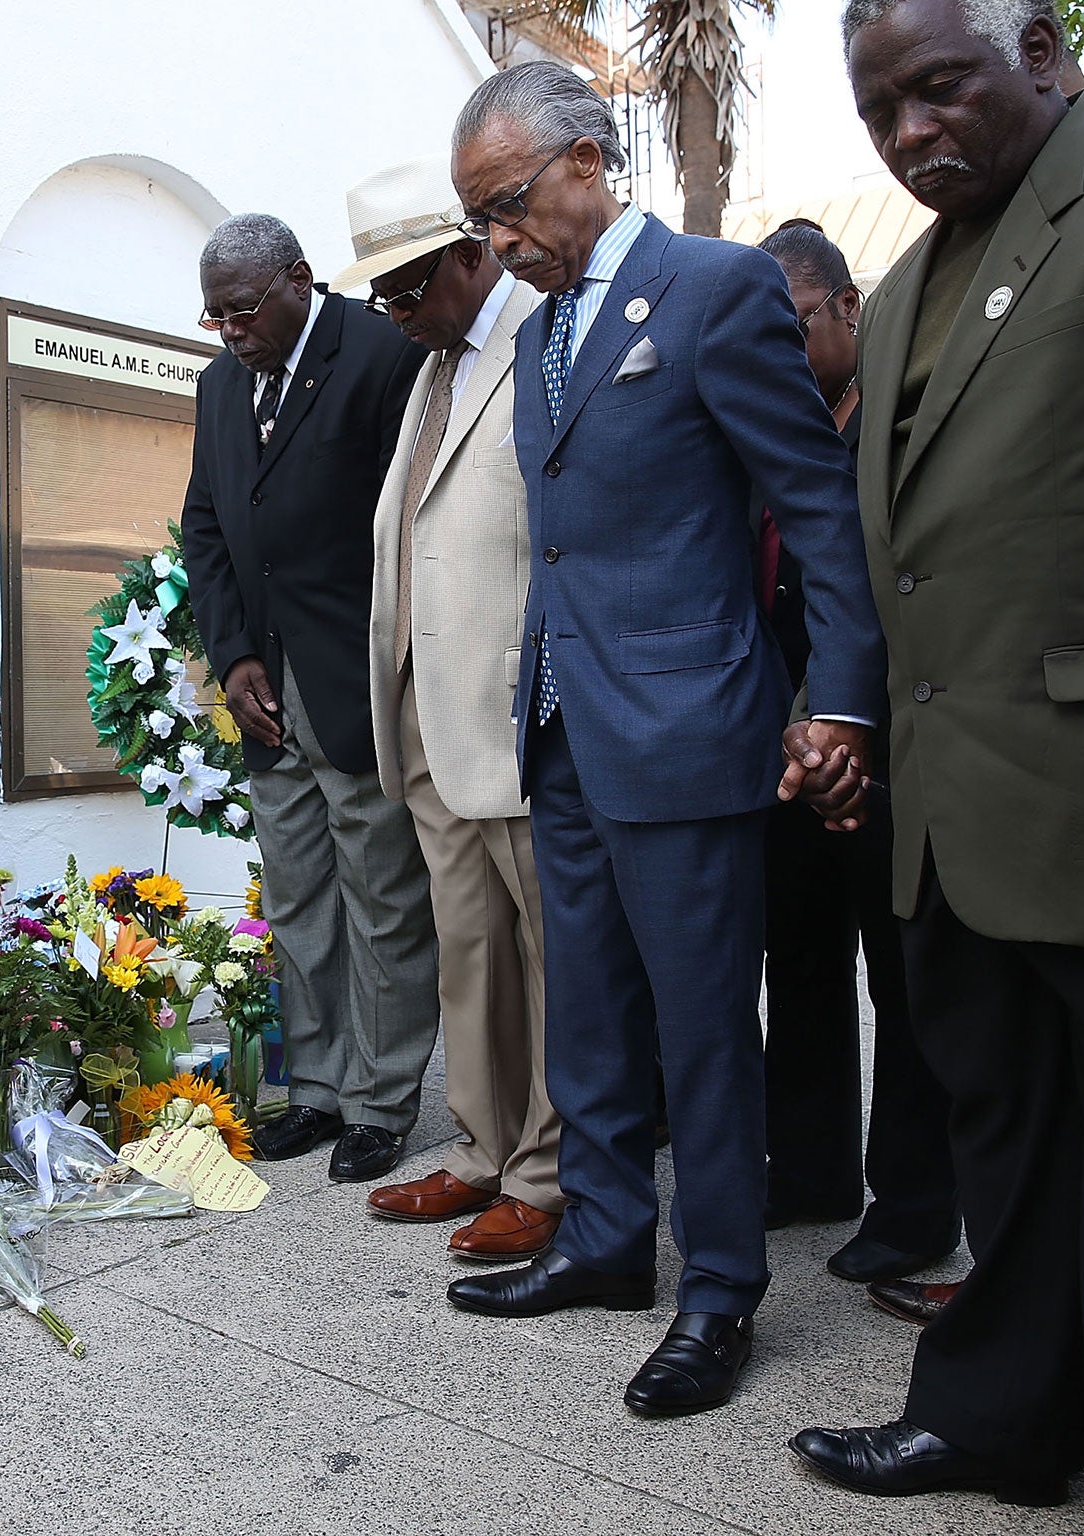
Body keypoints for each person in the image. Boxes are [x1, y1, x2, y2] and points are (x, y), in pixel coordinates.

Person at [787, 3, 1084, 1527]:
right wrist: (857, 724)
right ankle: (999, 1423)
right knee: (1009, 1156)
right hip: (956, 825)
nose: (908, 135)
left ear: (1040, 46)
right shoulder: (903, 290)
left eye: (937, 87)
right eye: (880, 112)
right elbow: (907, 560)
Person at [441, 62, 888, 1420]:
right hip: (566, 726)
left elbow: (814, 508)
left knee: (702, 1030)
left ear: (589, 158)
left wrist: (840, 697)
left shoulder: (713, 287)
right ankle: (601, 1241)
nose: (501, 244)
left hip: (692, 727)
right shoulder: (534, 337)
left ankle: (720, 1294)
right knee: (591, 1016)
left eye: (510, 207)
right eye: (483, 225)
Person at [180, 213, 440, 1182]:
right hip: (260, 689)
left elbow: (408, 527)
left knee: (380, 897)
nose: (227, 333)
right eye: (212, 317)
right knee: (296, 897)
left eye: (240, 310)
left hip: (351, 681)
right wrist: (233, 655)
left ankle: (380, 1101)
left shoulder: (378, 354)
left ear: (297, 280)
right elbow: (204, 527)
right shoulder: (216, 387)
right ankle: (320, 1091)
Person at [332, 156, 561, 1260]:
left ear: (470, 256)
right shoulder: (430, 367)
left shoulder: (545, 337)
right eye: (379, 296)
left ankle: (549, 1172)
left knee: (545, 960)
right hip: (423, 715)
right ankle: (481, 1150)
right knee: (466, 948)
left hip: (512, 715)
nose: (392, 314)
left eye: (407, 289)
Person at [755, 220, 960, 1284]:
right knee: (797, 962)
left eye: (794, 325)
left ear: (844, 305)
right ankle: (810, 1168)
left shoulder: (897, 412)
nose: (781, 350)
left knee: (903, 978)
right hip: (782, 750)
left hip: (882, 745)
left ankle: (914, 1206)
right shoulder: (769, 424)